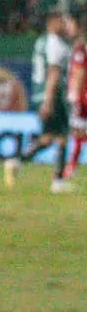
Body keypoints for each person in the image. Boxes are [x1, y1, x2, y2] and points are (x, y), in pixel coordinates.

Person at [5, 11, 75, 188]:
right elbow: (53, 72)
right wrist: (48, 100)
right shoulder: (55, 43)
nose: (64, 25)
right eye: (61, 22)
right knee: (62, 138)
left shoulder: (41, 41)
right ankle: (58, 181)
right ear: (51, 23)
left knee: (47, 138)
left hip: (39, 93)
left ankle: (17, 161)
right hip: (52, 94)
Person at [55, 31, 87, 194]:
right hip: (82, 98)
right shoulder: (80, 50)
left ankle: (71, 167)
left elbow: (79, 73)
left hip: (81, 98)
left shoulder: (80, 50)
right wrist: (75, 94)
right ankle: (70, 167)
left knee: (78, 133)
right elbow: (79, 73)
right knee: (78, 133)